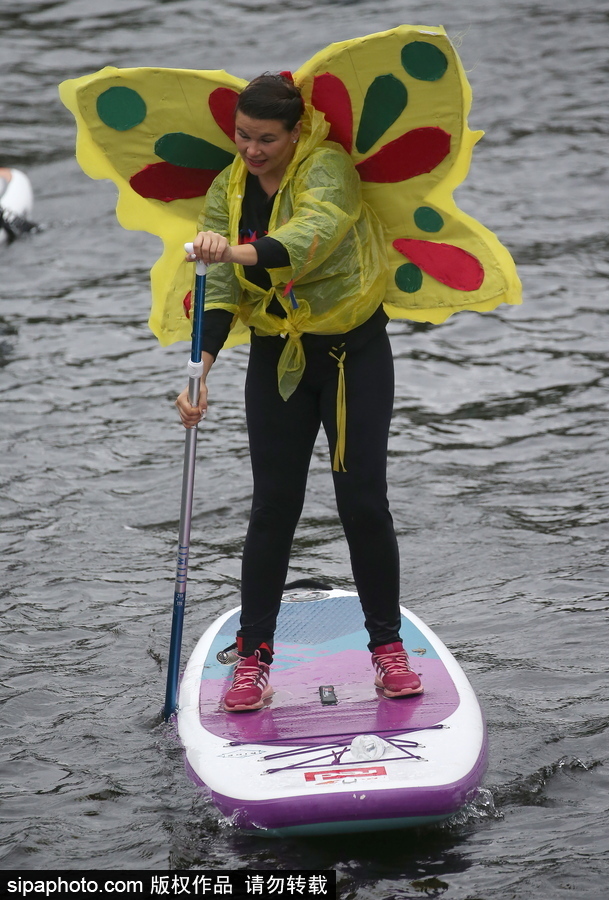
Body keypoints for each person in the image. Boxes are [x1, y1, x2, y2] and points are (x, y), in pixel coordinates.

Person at [175, 73, 423, 712]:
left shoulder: (328, 168)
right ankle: (253, 658)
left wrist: (231, 250)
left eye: (265, 140)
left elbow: (311, 239)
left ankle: (387, 650)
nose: (250, 151)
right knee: (273, 508)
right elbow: (222, 293)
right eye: (241, 136)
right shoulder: (227, 188)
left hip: (352, 358)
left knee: (362, 503)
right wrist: (198, 372)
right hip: (275, 360)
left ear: (295, 132)